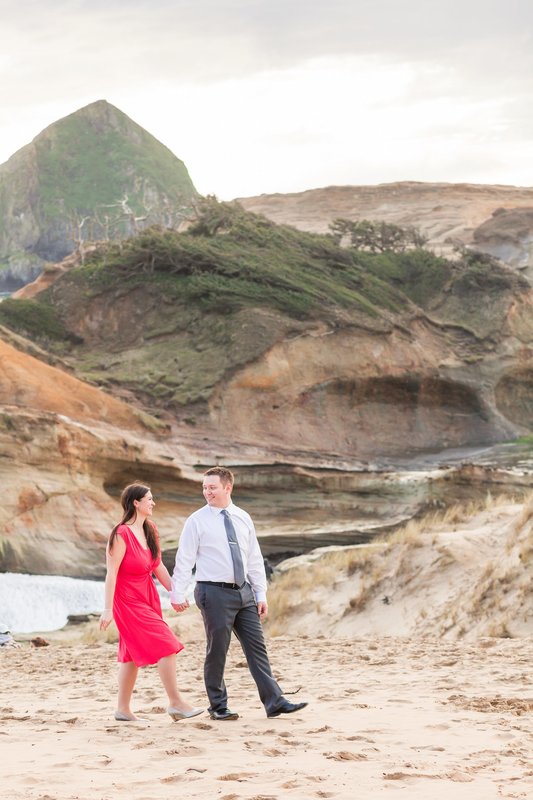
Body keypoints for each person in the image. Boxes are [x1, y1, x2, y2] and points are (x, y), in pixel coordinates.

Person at [170, 466, 308, 720]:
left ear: (227, 487)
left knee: (257, 648)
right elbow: (184, 560)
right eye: (204, 487)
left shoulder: (243, 517)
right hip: (213, 592)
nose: (207, 492)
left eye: (212, 487)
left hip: (244, 592)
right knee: (217, 649)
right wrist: (177, 594)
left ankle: (274, 702)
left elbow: (254, 559)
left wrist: (260, 593)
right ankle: (218, 706)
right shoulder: (196, 521)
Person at [99, 482, 203, 722]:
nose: (153, 502)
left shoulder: (150, 529)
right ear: (136, 503)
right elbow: (111, 573)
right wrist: (107, 610)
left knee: (130, 654)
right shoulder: (120, 533)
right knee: (167, 644)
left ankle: (122, 710)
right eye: (149, 499)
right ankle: (176, 703)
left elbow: (157, 565)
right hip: (126, 600)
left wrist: (175, 593)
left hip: (147, 595)